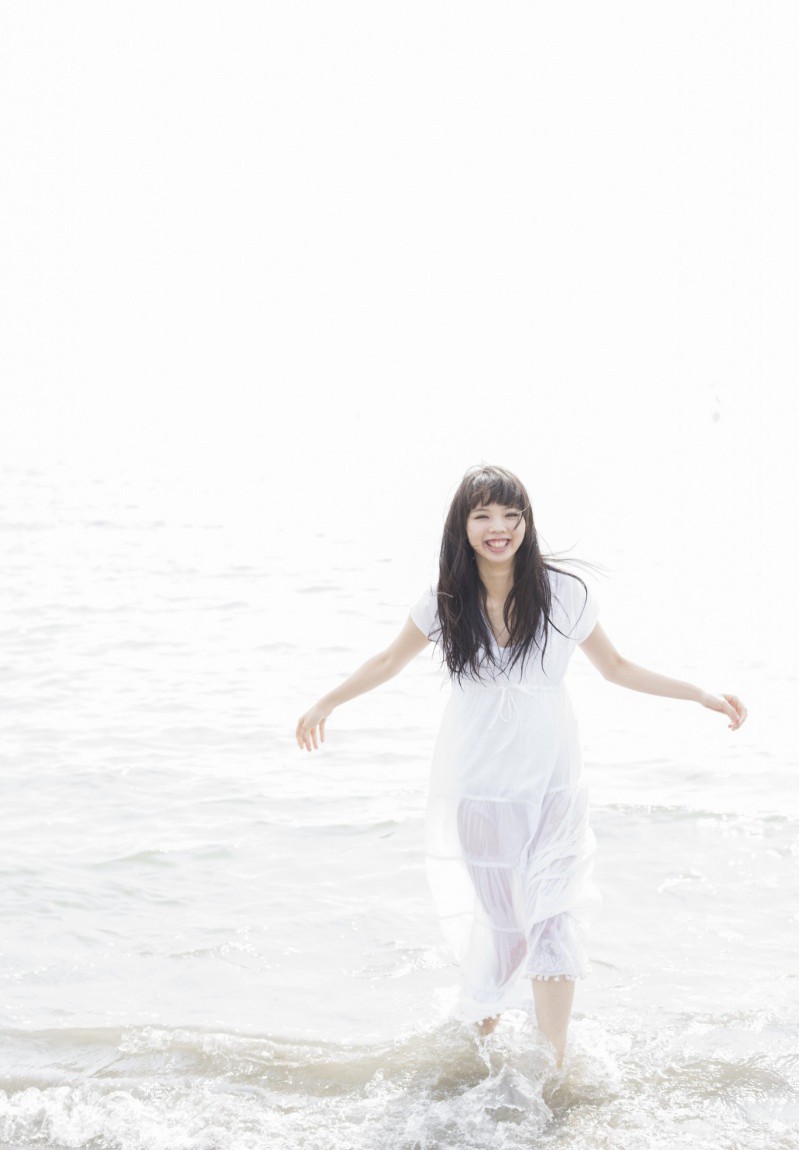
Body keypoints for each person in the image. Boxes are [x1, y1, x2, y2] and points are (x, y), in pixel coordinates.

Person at [295, 464, 747, 1070]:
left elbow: (617, 667)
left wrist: (699, 694)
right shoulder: (445, 602)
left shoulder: (564, 594)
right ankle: (476, 1059)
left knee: (553, 916)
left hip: (554, 785)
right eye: (483, 515)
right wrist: (326, 702)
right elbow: (386, 662)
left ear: (527, 523)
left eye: (511, 515)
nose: (499, 528)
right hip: (480, 788)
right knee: (505, 932)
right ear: (462, 526)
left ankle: (552, 1069)